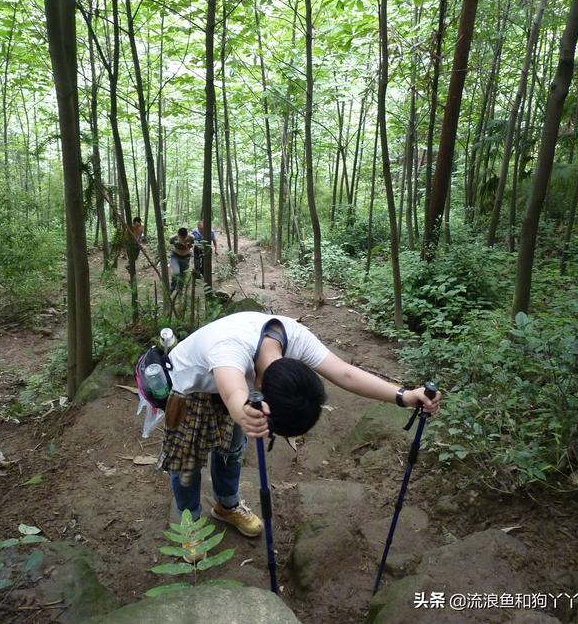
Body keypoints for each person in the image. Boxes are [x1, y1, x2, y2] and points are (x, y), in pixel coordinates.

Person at [157, 311, 440, 545]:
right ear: (260, 390)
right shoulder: (230, 349)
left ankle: (226, 505)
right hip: (190, 387)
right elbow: (232, 395)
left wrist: (404, 396)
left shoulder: (293, 337)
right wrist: (244, 413)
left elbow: (344, 372)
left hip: (239, 393)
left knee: (232, 448)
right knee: (187, 463)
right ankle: (189, 524)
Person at [169, 226, 194, 292]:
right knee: (176, 272)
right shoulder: (174, 238)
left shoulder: (191, 238)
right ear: (178, 234)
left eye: (184, 237)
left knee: (183, 274)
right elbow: (170, 242)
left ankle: (180, 289)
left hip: (185, 257)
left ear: (186, 234)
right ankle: (172, 287)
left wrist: (189, 245)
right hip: (175, 256)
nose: (183, 238)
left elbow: (193, 244)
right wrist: (176, 243)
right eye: (181, 237)